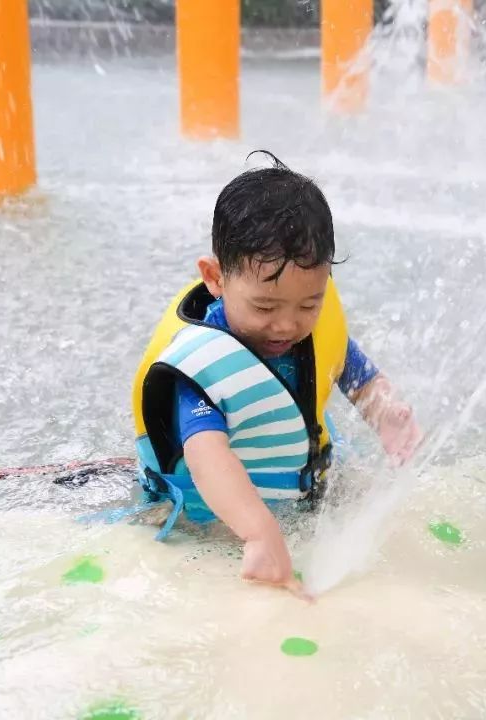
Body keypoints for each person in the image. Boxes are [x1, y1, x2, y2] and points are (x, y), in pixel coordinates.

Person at [129, 152, 422, 597]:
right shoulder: (201, 366)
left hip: (301, 486)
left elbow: (354, 373)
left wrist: (384, 413)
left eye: (308, 304)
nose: (286, 325)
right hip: (217, 519)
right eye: (265, 307)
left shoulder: (312, 329)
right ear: (215, 278)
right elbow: (207, 455)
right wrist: (258, 532)